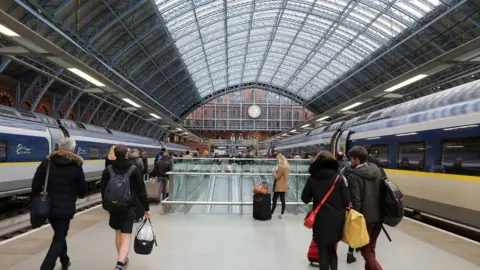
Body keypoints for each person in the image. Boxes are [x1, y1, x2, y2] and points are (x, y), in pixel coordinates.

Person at [32, 137, 87, 270]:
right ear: (73, 149)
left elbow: (36, 183)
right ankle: (46, 266)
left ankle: (65, 260)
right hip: (65, 208)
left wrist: (35, 198)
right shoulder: (76, 165)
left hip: (48, 206)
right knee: (59, 237)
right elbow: (82, 191)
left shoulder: (47, 162)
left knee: (59, 233)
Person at [100, 144, 150, 270]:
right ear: (126, 154)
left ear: (115, 154)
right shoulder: (133, 169)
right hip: (128, 206)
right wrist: (146, 208)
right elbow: (141, 190)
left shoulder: (108, 169)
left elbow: (103, 189)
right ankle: (120, 263)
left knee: (118, 233)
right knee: (126, 235)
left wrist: (106, 204)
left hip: (113, 207)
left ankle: (121, 259)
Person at [301, 151, 350, 270]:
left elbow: (305, 199)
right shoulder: (339, 178)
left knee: (322, 252)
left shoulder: (312, 178)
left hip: (320, 220)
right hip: (337, 220)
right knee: (332, 251)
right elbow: (346, 201)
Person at [345, 146, 384, 270]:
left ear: (356, 159)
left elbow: (356, 201)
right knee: (371, 247)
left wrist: (354, 221)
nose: (350, 161)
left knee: (364, 249)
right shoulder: (377, 170)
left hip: (365, 218)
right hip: (379, 216)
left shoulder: (353, 176)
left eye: (351, 159)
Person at [271, 153, 290, 219]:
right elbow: (282, 173)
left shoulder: (281, 166)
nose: (277, 160)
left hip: (279, 185)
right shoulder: (287, 165)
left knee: (274, 199)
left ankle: (271, 212)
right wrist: (277, 171)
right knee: (282, 199)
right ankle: (282, 213)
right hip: (284, 184)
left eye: (277, 159)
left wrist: (273, 171)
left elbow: (276, 177)